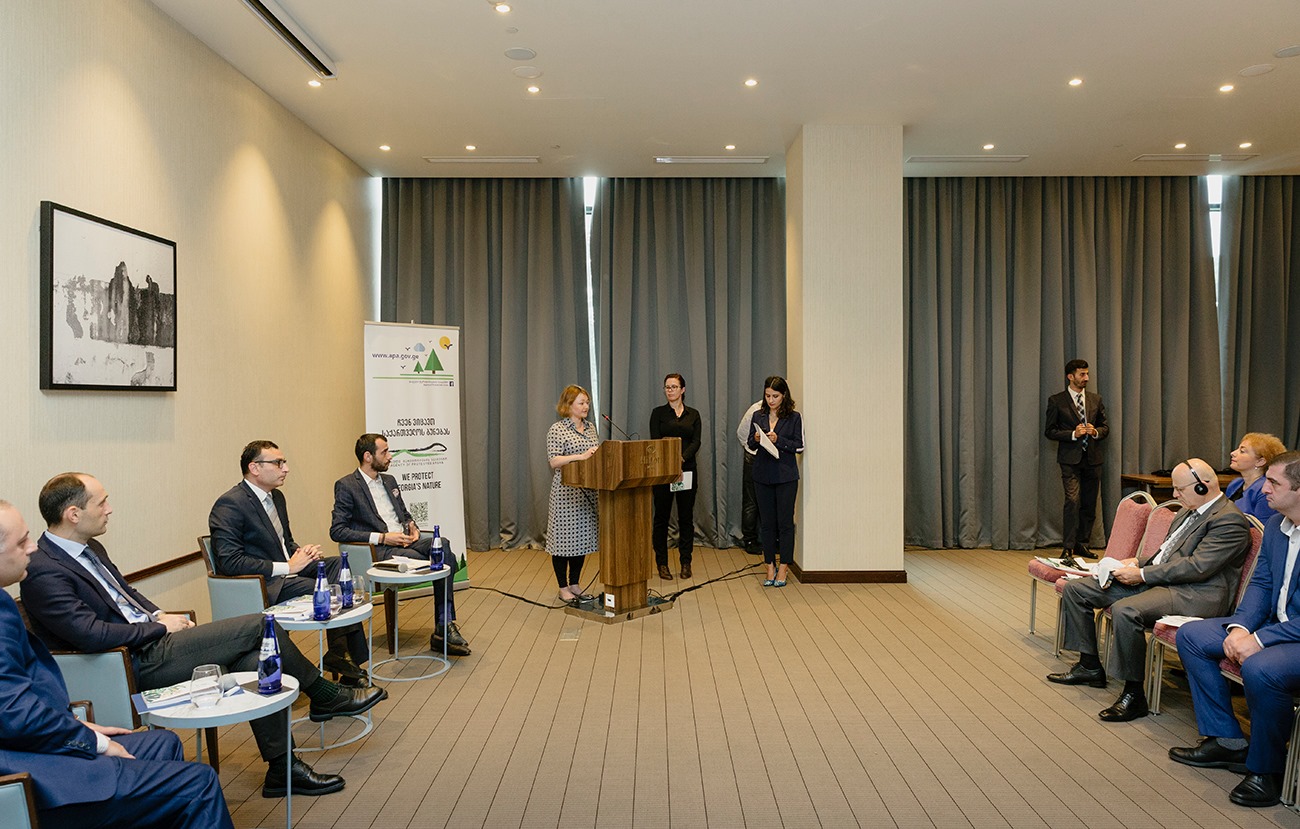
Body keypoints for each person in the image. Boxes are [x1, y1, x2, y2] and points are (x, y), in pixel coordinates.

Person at [20, 474, 387, 798]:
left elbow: (125, 594)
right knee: (260, 625)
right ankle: (323, 694)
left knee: (253, 659)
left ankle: (283, 769)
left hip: (149, 643)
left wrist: (159, 613)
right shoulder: (43, 569)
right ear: (74, 513)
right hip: (130, 663)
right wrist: (159, 627)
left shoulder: (90, 548)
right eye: (102, 503)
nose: (109, 509)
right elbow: (90, 634)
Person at [0, 500, 235, 829]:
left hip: (35, 744)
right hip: (27, 774)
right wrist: (90, 740)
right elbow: (14, 712)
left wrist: (73, 725)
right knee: (199, 783)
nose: (31, 548)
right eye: (22, 541)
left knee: (163, 742)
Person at [1048, 459, 1250, 723]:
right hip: (1164, 582)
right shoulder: (1188, 511)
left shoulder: (1229, 520)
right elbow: (1166, 556)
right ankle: (1089, 665)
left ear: (1204, 486)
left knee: (1125, 610)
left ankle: (1134, 694)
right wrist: (1137, 562)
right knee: (1077, 590)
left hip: (1196, 593)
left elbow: (1197, 567)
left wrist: (1142, 574)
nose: (1174, 494)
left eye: (1180, 489)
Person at [1171, 451, 1300, 808]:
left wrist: (1259, 639)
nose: (1264, 489)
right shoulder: (1277, 527)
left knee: (1260, 668)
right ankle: (1227, 741)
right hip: (1275, 626)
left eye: (1273, 483)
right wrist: (1241, 627)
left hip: (1294, 637)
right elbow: (1261, 583)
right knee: (1193, 636)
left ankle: (1266, 771)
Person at [209, 440, 369, 681]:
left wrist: (302, 552)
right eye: (278, 463)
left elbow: (285, 542)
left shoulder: (277, 497)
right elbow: (230, 562)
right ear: (254, 468)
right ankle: (341, 662)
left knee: (337, 565)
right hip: (264, 584)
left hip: (288, 573)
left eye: (284, 462)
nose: (286, 468)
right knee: (324, 589)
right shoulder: (231, 503)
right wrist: (288, 566)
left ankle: (340, 653)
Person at [329, 433, 470, 655]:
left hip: (406, 542)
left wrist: (412, 526)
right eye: (384, 452)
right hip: (381, 550)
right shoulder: (347, 485)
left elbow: (403, 514)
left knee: (442, 546)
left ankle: (444, 624)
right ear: (368, 456)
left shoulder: (389, 481)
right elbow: (337, 530)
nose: (390, 456)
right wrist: (382, 537)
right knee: (435, 560)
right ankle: (443, 628)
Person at [1045, 358, 1109, 558]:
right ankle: (1068, 547)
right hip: (1070, 460)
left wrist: (1095, 431)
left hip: (1093, 459)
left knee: (1089, 504)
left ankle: (1082, 544)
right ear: (1070, 376)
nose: (1086, 378)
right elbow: (1050, 431)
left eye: (1087, 374)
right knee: (1072, 501)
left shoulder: (1095, 400)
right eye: (1082, 374)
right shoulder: (1056, 401)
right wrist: (1073, 434)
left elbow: (1105, 427)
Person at [747, 376, 804, 587]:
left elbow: (799, 446)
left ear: (784, 395)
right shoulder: (758, 415)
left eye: (775, 396)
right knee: (767, 523)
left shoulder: (794, 417)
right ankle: (769, 564)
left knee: (785, 523)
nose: (771, 400)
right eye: (768, 396)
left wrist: (778, 440)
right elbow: (750, 445)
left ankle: (784, 566)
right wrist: (756, 439)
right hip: (762, 475)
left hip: (786, 476)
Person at [546, 384, 600, 603]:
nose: (586, 406)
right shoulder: (557, 429)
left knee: (581, 540)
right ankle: (563, 587)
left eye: (587, 403)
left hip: (587, 493)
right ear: (569, 405)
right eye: (581, 403)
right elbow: (554, 461)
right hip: (565, 495)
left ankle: (575, 584)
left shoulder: (591, 428)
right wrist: (581, 456)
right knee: (562, 543)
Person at [650, 373, 702, 580]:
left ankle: (686, 562)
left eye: (674, 387)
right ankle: (662, 563)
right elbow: (656, 440)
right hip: (663, 473)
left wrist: (681, 458)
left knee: (685, 518)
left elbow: (696, 442)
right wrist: (671, 460)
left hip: (686, 471)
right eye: (667, 387)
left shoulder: (693, 414)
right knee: (661, 518)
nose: (670, 390)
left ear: (683, 390)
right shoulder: (658, 413)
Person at [1225, 432, 1286, 524]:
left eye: (1242, 451)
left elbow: (1262, 529)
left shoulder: (1266, 490)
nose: (1232, 453)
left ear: (1260, 461)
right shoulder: (1235, 484)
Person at [735, 399, 763, 555]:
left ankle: (773, 539)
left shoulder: (787, 412)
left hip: (775, 459)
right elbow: (741, 433)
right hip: (754, 456)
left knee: (772, 501)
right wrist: (752, 448)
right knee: (751, 501)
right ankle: (750, 540)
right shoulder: (755, 410)